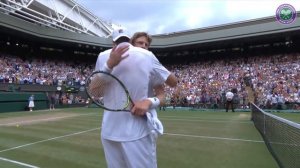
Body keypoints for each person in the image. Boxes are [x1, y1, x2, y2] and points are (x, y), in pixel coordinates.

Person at [94, 28, 172, 168]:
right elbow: (95, 92)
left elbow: (168, 87)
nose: (143, 46)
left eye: (145, 44)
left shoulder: (147, 56)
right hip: (110, 132)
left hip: (137, 132)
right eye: (140, 43)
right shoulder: (103, 57)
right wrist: (109, 65)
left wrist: (149, 102)